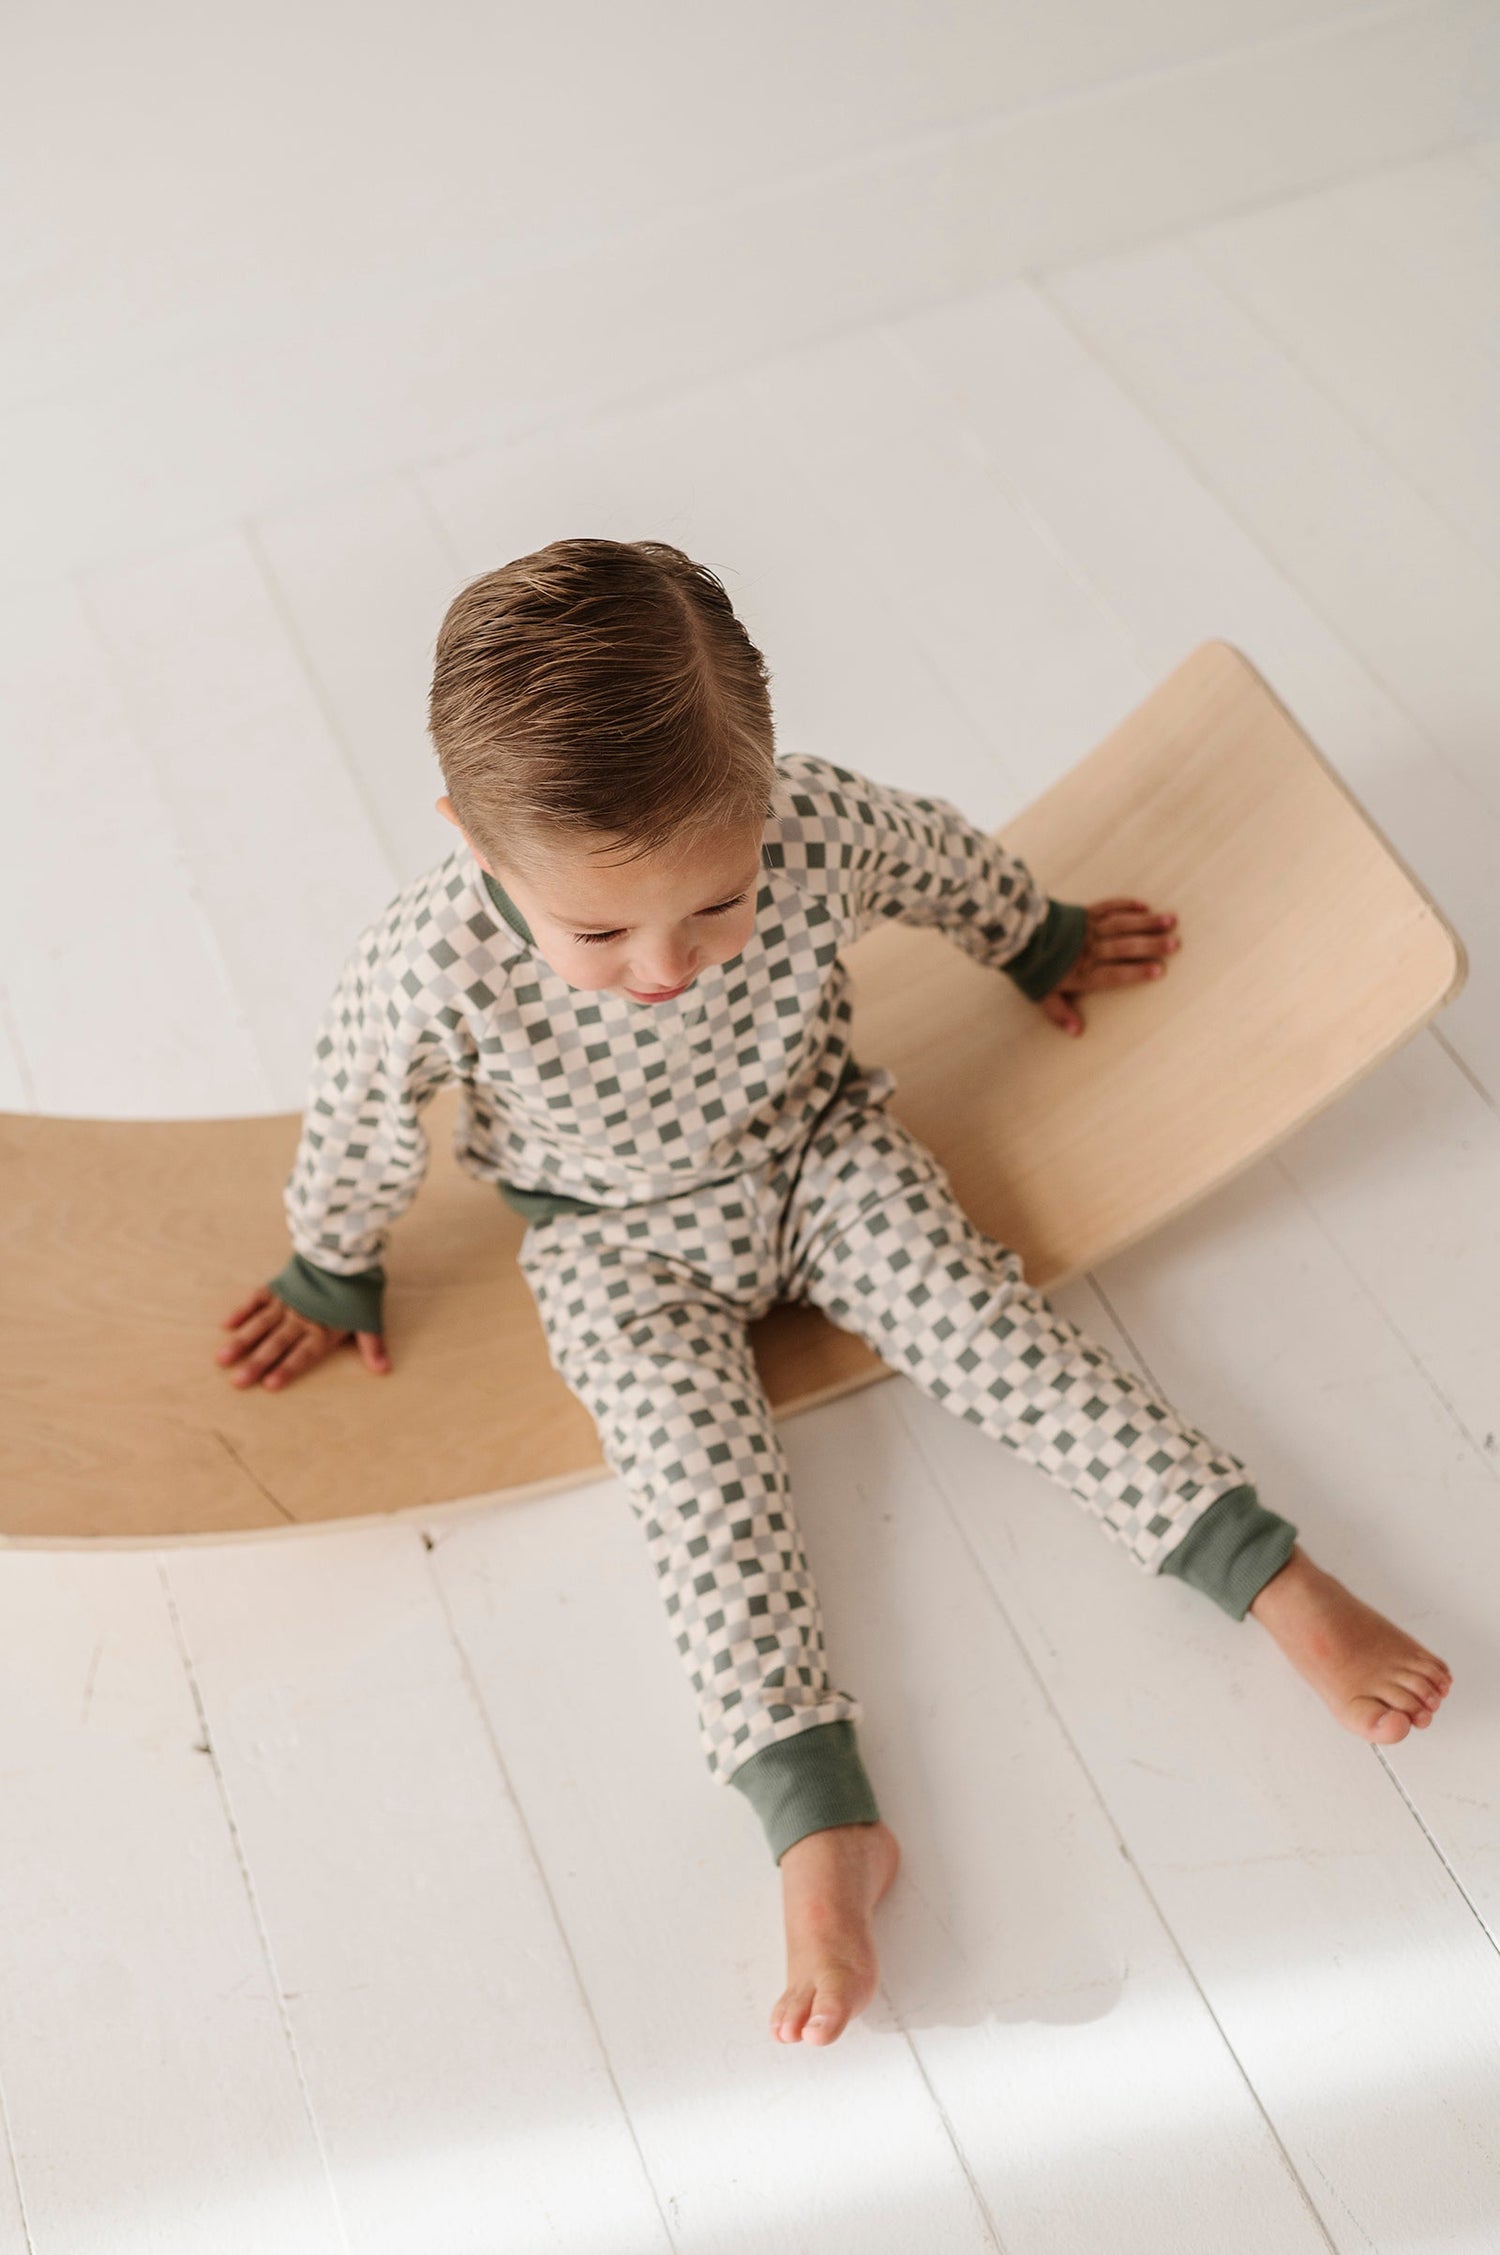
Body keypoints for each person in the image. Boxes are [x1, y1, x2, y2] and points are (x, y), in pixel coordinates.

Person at [215, 538, 1452, 2049]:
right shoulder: (429, 966)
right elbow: (356, 1115)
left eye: (713, 906)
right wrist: (332, 1262)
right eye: (598, 933)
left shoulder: (810, 827)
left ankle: (1270, 1575)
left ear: (763, 794)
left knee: (1000, 1341)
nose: (664, 966)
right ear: (472, 841)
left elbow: (935, 858)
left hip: (822, 1154)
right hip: (612, 1246)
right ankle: (819, 1824)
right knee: (696, 1495)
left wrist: (1037, 935)